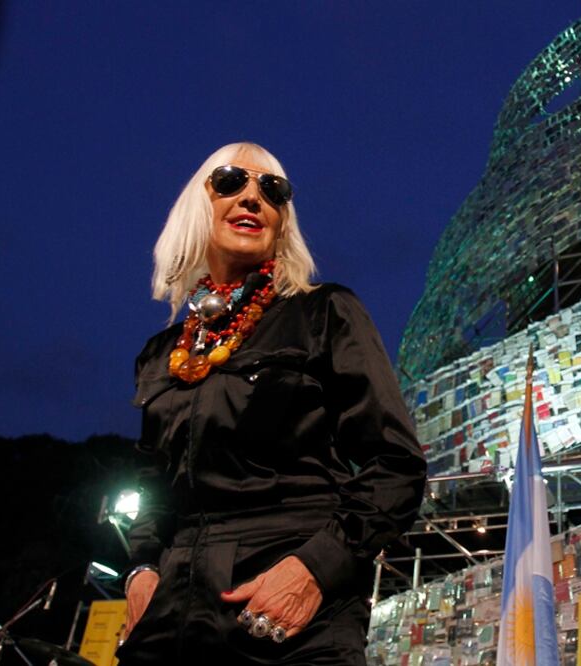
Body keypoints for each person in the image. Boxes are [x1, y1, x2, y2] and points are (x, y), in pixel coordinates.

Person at [116, 142, 427, 665]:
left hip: (288, 609)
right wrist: (142, 569)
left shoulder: (324, 312)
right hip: (172, 611)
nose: (252, 197)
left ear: (283, 221)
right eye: (230, 181)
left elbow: (396, 464)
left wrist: (315, 569)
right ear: (197, 203)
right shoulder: (161, 353)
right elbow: (152, 485)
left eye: (273, 189)